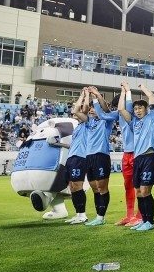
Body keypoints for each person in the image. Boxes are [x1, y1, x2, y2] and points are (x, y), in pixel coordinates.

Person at [93, 88, 141, 227]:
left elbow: (128, 106)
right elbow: (102, 115)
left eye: (118, 105)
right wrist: (96, 97)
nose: (117, 109)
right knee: (128, 186)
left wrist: (126, 91)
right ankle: (130, 216)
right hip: (127, 153)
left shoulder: (135, 113)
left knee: (140, 186)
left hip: (138, 153)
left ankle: (140, 216)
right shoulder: (118, 114)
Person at [118, 81, 154, 231]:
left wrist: (143, 87)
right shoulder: (134, 122)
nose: (137, 111)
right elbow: (121, 109)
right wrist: (124, 91)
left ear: (146, 109)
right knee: (138, 191)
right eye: (135, 109)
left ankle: (151, 221)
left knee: (145, 190)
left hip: (149, 157)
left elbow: (151, 97)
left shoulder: (152, 117)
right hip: (138, 159)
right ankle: (144, 220)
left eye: (140, 108)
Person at [83, 86, 117, 226]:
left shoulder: (106, 120)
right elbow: (79, 112)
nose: (92, 110)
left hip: (101, 155)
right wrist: (86, 95)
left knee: (102, 188)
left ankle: (101, 217)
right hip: (89, 156)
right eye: (91, 108)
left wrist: (97, 95)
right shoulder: (89, 121)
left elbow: (106, 109)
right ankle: (98, 217)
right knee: (94, 188)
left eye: (94, 108)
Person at [57, 89, 89, 224]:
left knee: (77, 185)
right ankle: (78, 214)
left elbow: (79, 109)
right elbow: (73, 145)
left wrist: (85, 95)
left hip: (80, 158)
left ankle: (83, 215)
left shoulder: (87, 123)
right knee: (71, 186)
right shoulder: (77, 128)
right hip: (71, 158)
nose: (76, 114)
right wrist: (57, 144)